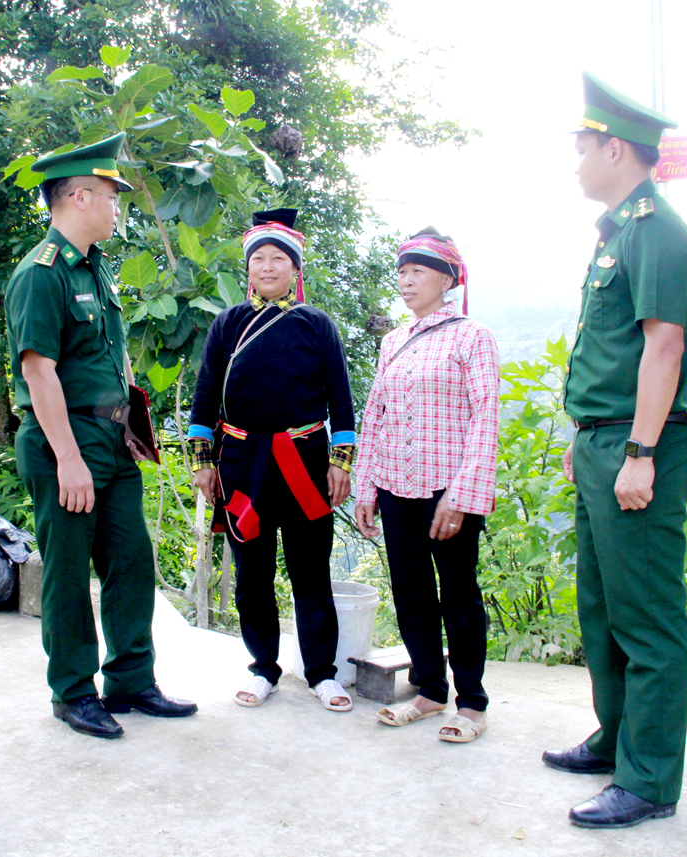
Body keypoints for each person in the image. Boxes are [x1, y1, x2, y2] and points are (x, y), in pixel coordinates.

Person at [541, 72, 687, 829]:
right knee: (602, 608)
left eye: (581, 148)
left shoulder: (658, 230)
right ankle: (617, 740)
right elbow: (610, 353)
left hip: (640, 447)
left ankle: (649, 779)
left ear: (614, 148)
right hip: (603, 443)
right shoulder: (619, 231)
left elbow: (662, 347)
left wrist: (638, 450)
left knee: (648, 618)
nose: (574, 162)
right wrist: (589, 439)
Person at [6, 132, 197, 740]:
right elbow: (39, 371)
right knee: (68, 570)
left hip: (111, 443)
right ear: (81, 196)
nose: (119, 206)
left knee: (132, 563)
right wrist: (67, 458)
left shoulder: (95, 270)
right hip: (67, 443)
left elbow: (108, 361)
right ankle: (72, 691)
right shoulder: (42, 274)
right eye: (114, 195)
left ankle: (132, 681)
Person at [188, 209, 357, 712]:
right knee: (252, 575)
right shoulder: (228, 324)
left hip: (304, 461)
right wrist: (202, 461)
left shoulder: (317, 325)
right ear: (249, 267)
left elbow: (341, 400)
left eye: (277, 258)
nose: (267, 266)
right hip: (242, 463)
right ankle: (263, 667)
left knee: (311, 572)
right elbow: (204, 399)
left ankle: (322, 673)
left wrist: (340, 462)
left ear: (294, 268)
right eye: (258, 258)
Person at [353, 229, 500, 743]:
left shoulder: (471, 335)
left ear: (446, 279)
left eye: (418, 271)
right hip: (396, 486)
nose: (406, 281)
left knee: (459, 593)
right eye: (402, 271)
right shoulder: (394, 340)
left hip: (448, 490)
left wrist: (462, 494)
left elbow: (486, 418)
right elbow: (376, 416)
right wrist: (365, 488)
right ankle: (430, 690)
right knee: (410, 589)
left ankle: (473, 702)